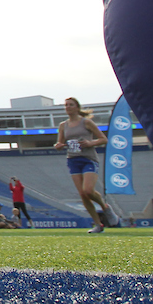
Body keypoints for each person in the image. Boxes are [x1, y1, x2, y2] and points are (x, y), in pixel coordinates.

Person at [53, 96, 117, 234]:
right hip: (73, 160)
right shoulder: (63, 125)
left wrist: (90, 143)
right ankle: (98, 225)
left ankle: (105, 207)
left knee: (88, 190)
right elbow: (60, 142)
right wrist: (58, 145)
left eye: (70, 105)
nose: (68, 107)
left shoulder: (86, 123)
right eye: (66, 105)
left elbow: (103, 139)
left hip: (88, 159)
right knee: (82, 194)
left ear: (77, 107)